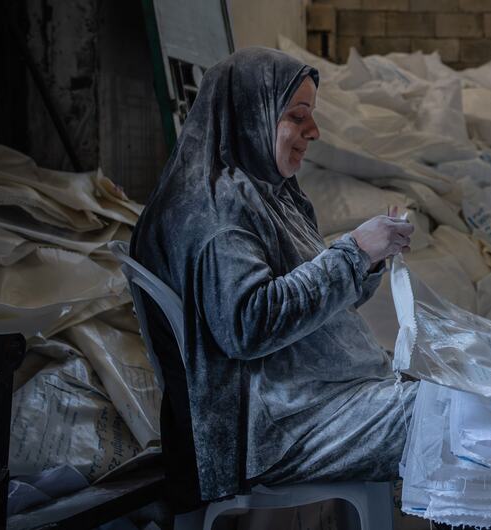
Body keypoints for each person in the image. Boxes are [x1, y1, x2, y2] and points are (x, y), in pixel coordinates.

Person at [130, 48, 416, 503]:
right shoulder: (215, 213)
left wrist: (367, 261)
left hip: (312, 398)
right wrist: (353, 252)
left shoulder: (264, 193)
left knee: (458, 388)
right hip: (276, 429)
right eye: (297, 117)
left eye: (312, 116)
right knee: (450, 415)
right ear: (250, 114)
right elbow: (249, 323)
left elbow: (305, 303)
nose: (313, 132)